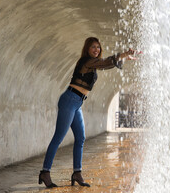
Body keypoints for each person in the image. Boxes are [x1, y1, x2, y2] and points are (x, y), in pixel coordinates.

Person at [38, 37, 138, 188]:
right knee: (58, 137)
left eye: (98, 47)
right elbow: (105, 62)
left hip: (77, 103)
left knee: (81, 138)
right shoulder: (86, 61)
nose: (96, 49)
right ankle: (45, 172)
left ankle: (77, 173)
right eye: (93, 47)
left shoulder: (94, 64)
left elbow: (105, 65)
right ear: (87, 49)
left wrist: (123, 58)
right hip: (69, 100)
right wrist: (123, 54)